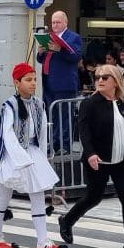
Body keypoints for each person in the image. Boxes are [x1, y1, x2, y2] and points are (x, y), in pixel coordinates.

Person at [57, 64, 124, 248]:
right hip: (98, 160)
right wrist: (90, 153)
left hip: (123, 161)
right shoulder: (89, 104)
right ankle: (67, 220)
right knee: (94, 196)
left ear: (115, 81)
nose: (100, 80)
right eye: (97, 76)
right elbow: (83, 132)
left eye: (105, 77)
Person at [0, 63, 63, 248]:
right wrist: (20, 158)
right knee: (4, 195)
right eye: (28, 80)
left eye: (34, 79)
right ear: (16, 82)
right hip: (12, 155)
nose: (33, 83)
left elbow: (43, 131)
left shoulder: (39, 104)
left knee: (37, 194)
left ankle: (43, 241)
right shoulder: (9, 105)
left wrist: (42, 158)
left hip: (32, 152)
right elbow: (7, 133)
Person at [36, 10, 84, 154]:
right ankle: (54, 143)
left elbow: (76, 57)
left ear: (65, 22)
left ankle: (65, 145)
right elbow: (41, 60)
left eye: (58, 22)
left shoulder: (73, 37)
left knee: (65, 115)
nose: (55, 25)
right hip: (49, 82)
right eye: (53, 22)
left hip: (64, 83)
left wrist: (59, 50)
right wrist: (40, 52)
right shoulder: (50, 37)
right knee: (53, 115)